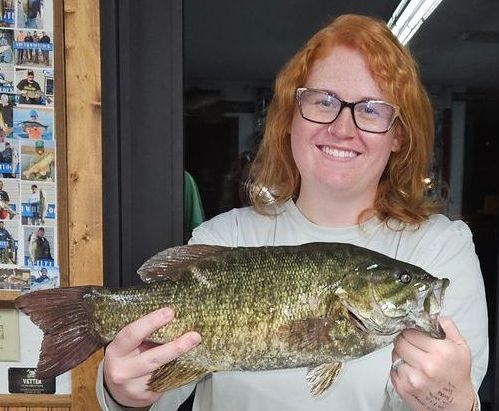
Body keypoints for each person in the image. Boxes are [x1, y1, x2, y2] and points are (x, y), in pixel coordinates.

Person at [97, 15, 488, 411]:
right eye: (324, 101)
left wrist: (454, 402)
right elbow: (157, 397)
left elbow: (452, 398)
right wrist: (123, 393)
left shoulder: (441, 247)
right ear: (290, 118)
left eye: (371, 109)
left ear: (398, 134)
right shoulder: (225, 239)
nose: (342, 128)